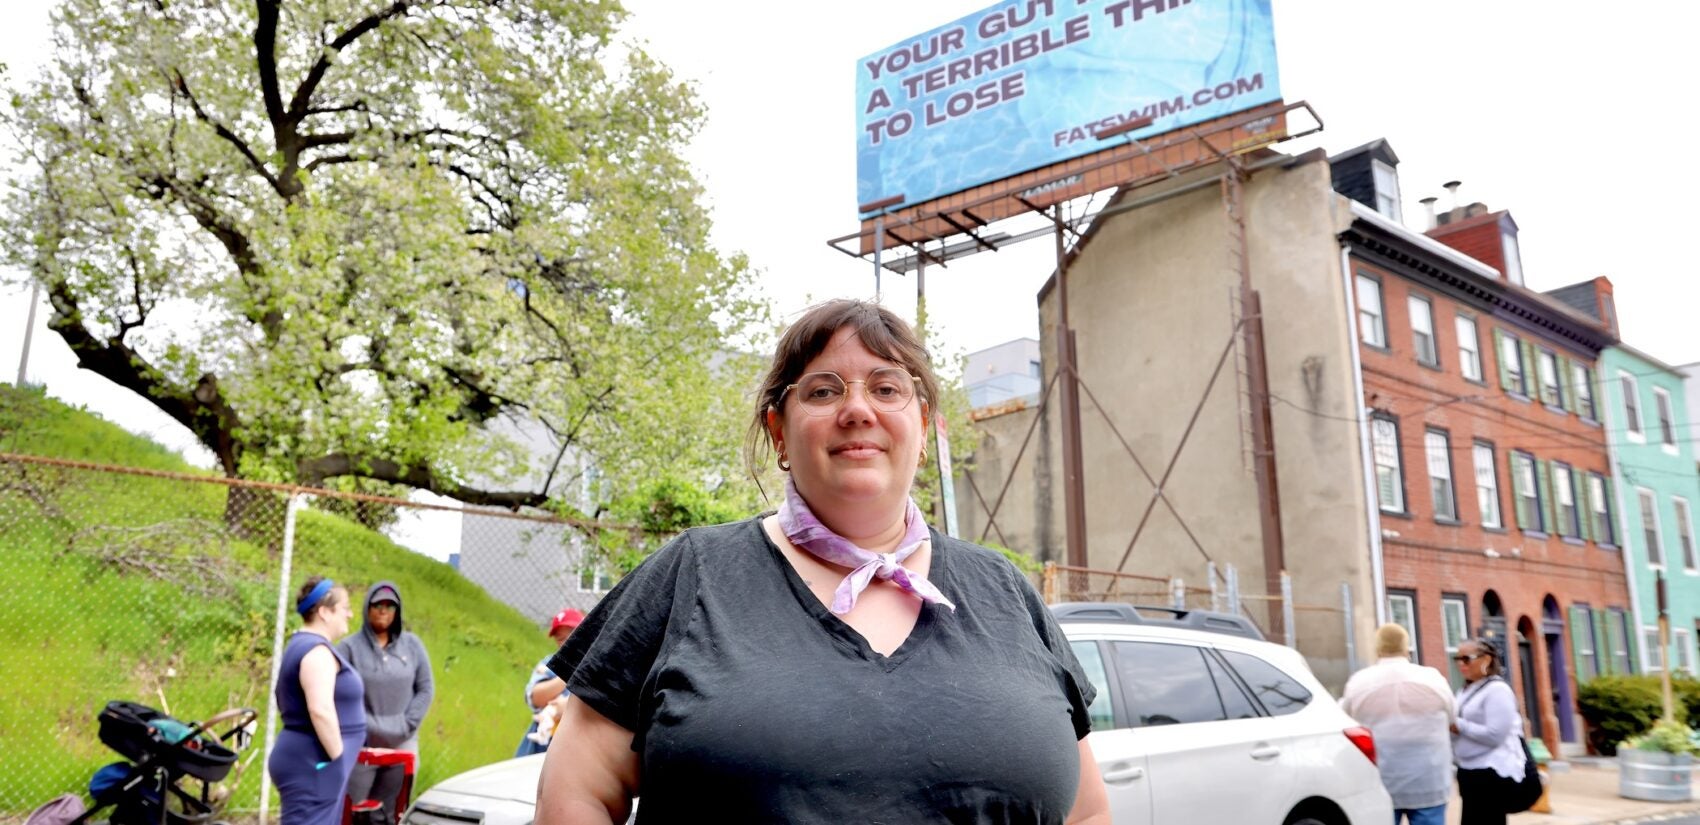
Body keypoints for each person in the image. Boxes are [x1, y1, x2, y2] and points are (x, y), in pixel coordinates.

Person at [535, 299, 1110, 825]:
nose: (858, 409)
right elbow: (578, 791)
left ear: (927, 426)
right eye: (823, 391)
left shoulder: (1006, 591)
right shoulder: (690, 574)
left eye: (887, 389)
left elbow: (1086, 814)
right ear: (778, 430)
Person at [269, 576, 364, 825]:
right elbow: (320, 709)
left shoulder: (305, 646)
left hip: (312, 762)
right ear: (324, 612)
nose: (351, 614)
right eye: (344, 608)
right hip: (314, 763)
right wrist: (339, 759)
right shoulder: (316, 652)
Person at [1339, 623, 1456, 825]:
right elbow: (1452, 717)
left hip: (1381, 779)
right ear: (1406, 647)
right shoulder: (1433, 678)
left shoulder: (1358, 682)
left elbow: (1343, 720)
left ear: (1377, 649)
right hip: (1429, 779)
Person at [338, 582, 434, 825]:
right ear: (366, 608)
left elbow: (425, 688)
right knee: (354, 813)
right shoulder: (349, 648)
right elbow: (338, 694)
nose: (383, 610)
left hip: (403, 743)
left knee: (391, 814)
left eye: (390, 606)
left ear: (398, 611)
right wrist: (365, 725)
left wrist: (407, 724)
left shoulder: (412, 646)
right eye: (377, 604)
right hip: (361, 745)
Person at [1452, 637, 1526, 825]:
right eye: (1457, 659)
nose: (1461, 664)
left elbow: (1495, 735)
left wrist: (1458, 725)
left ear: (1486, 660)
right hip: (1469, 770)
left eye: (1466, 658)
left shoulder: (1497, 690)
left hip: (1491, 772)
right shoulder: (1466, 690)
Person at [516, 608, 583, 757]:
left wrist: (567, 708)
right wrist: (566, 675)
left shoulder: (597, 663)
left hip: (578, 745)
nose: (566, 643)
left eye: (572, 635)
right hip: (543, 746)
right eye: (560, 639)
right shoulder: (550, 664)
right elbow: (535, 697)